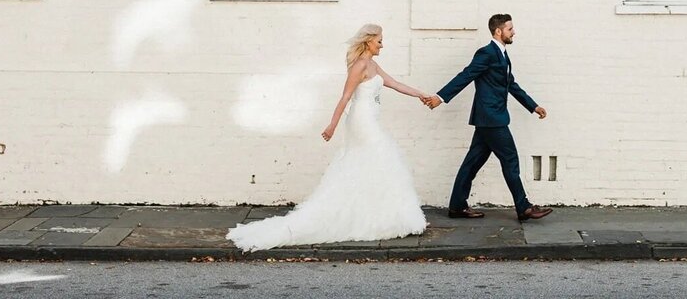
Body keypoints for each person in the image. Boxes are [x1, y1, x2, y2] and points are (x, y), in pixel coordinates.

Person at [227, 24, 429, 250]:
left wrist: (420, 94)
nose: (382, 44)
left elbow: (395, 84)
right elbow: (345, 97)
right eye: (380, 40)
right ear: (368, 41)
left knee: (371, 164)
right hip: (362, 121)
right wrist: (332, 125)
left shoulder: (373, 65)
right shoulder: (359, 66)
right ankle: (379, 216)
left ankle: (376, 215)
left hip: (371, 118)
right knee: (382, 158)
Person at [424, 13, 553, 221]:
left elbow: (510, 84)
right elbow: (466, 75)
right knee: (510, 159)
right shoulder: (486, 53)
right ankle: (524, 207)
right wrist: (441, 97)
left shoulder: (502, 55)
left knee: (472, 163)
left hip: (488, 119)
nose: (514, 32)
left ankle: (457, 206)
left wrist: (533, 106)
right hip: (492, 119)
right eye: (510, 29)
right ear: (499, 31)